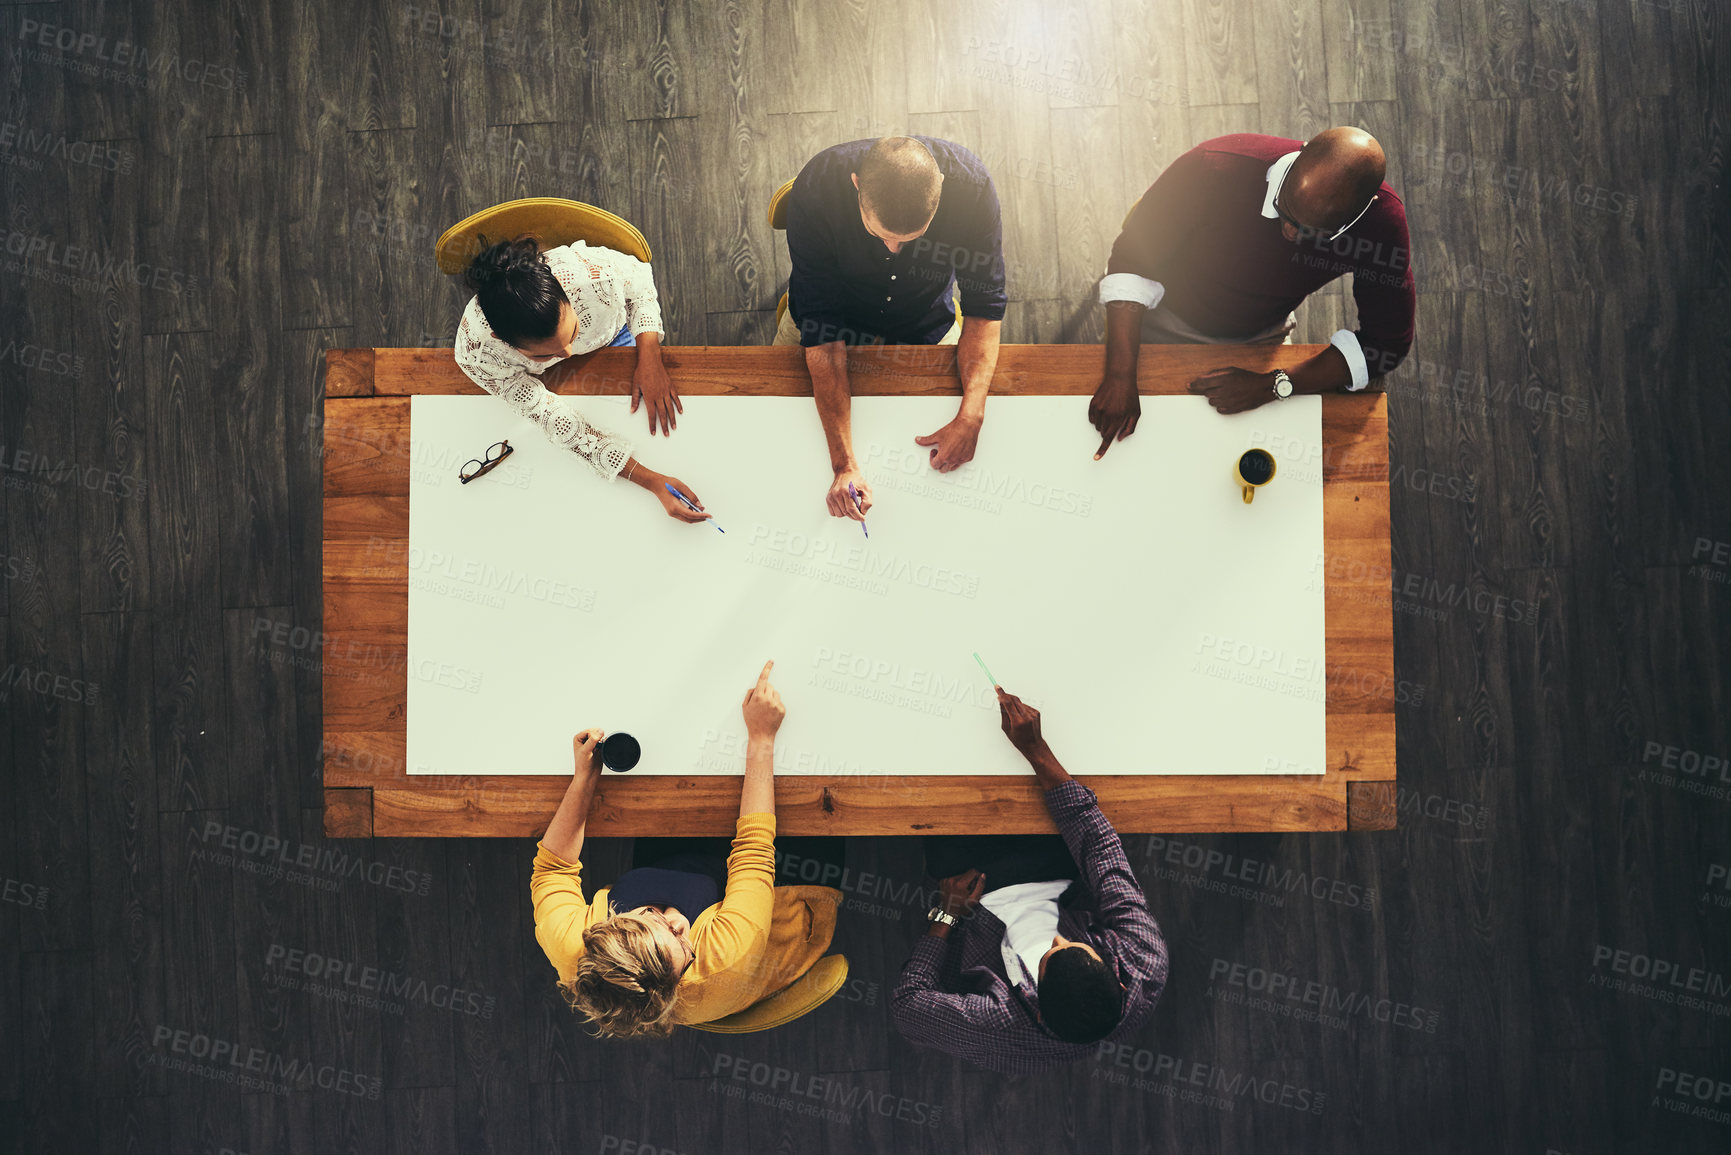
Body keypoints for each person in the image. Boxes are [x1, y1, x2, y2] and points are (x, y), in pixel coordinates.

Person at [529, 661, 843, 1038]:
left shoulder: (569, 943)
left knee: (675, 767)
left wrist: (585, 778)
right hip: (784, 899)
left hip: (684, 873)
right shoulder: (727, 954)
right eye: (683, 952)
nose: (680, 928)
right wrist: (761, 737)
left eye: (656, 918)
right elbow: (754, 848)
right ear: (674, 986)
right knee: (820, 769)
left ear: (609, 923)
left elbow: (553, 869)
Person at [1089, 127, 1416, 457]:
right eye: (1284, 208)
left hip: (1263, 335)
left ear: (1361, 212)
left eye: (1311, 231)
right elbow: (1132, 259)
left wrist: (1272, 384)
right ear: (1297, 156)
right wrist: (1119, 374)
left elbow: (1386, 343)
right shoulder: (1213, 166)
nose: (1289, 232)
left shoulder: (1381, 226)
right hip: (1160, 310)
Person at [890, 687, 1168, 1072]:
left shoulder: (1000, 1031)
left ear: (1036, 1007)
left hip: (973, 895)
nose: (1056, 935)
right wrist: (1035, 748)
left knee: (929, 756)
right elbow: (1103, 855)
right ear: (1118, 980)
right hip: (1056, 872)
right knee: (1037, 764)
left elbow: (908, 1007)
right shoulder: (1143, 965)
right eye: (1073, 944)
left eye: (1048, 955)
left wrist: (946, 916)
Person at [776, 136, 1007, 518]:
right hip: (830, 319)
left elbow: (984, 310)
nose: (892, 250)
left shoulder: (973, 189)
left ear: (941, 195)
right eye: (880, 233)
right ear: (855, 185)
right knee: (781, 426)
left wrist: (971, 416)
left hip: (926, 322)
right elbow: (823, 336)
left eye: (909, 238)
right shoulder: (817, 188)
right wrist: (844, 466)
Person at [455, 236, 711, 523]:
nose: (567, 353)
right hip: (544, 381)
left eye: (573, 331)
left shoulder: (595, 275)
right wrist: (651, 480)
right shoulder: (477, 355)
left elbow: (640, 286)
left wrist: (650, 358)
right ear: (500, 340)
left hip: (611, 337)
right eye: (545, 354)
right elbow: (557, 422)